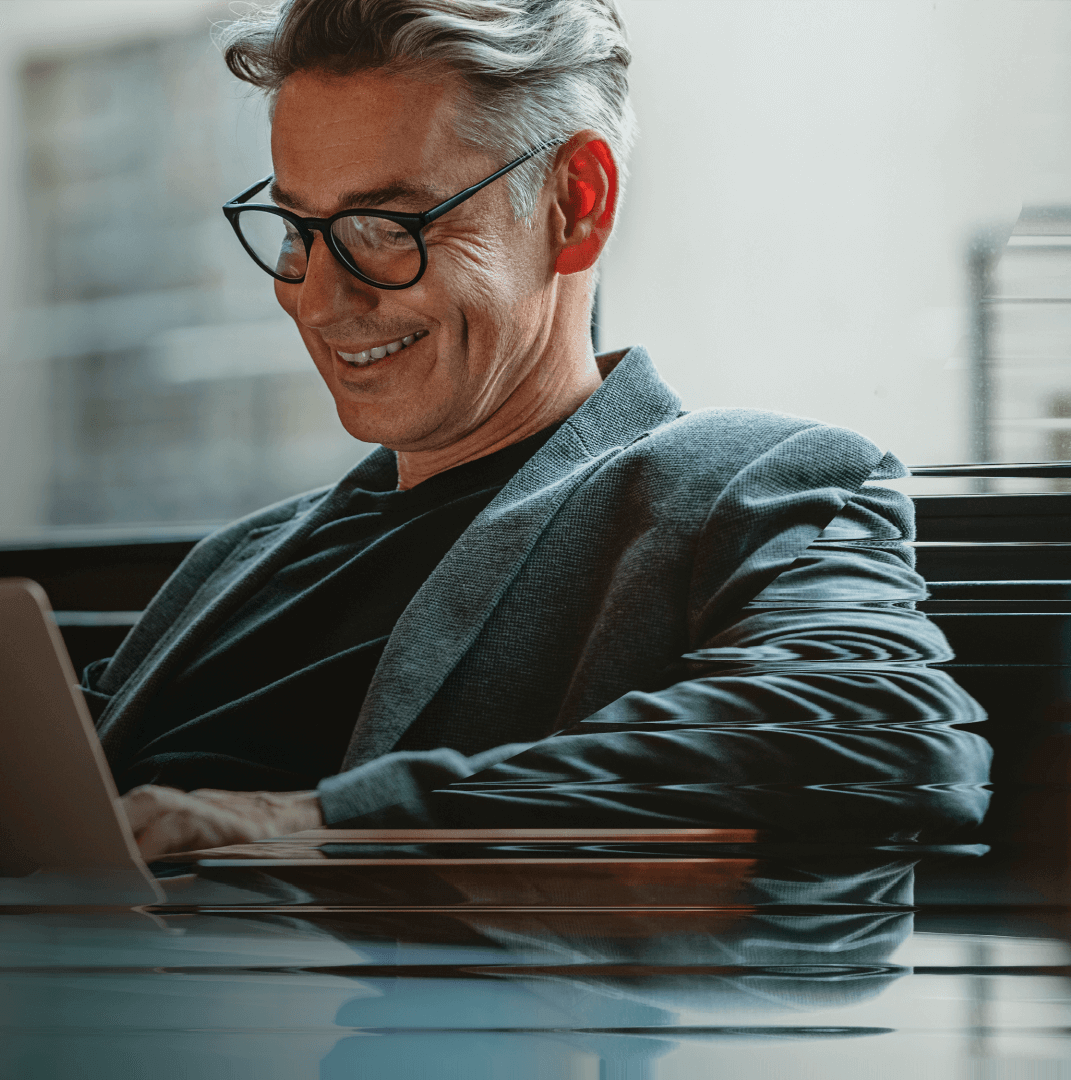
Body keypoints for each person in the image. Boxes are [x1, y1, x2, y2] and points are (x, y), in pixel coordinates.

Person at [97, 0, 990, 857]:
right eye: (298, 228)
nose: (319, 301)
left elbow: (878, 742)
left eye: (384, 226)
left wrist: (314, 825)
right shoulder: (232, 565)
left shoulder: (752, 487)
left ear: (577, 203)